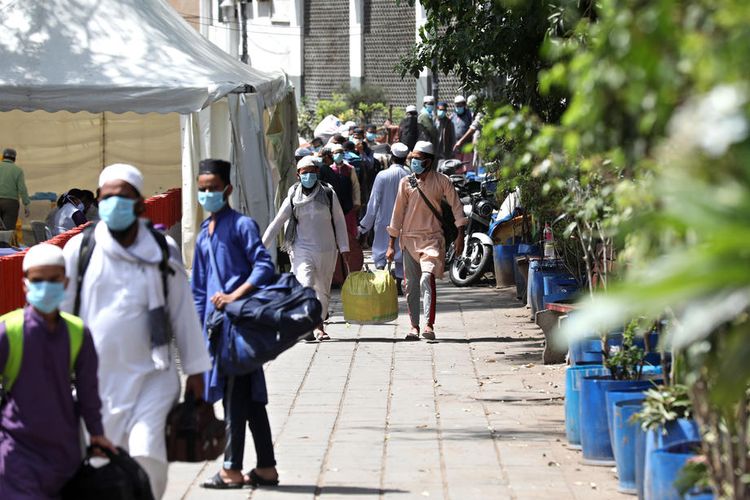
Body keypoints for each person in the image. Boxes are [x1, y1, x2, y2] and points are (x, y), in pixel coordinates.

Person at [61, 163, 211, 499]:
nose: (115, 203)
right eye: (108, 197)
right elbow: (61, 317)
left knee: (148, 459)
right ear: (98, 201)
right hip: (94, 385)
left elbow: (183, 315)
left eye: (123, 197)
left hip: (152, 379)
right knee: (99, 470)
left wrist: (197, 373)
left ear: (140, 203)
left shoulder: (161, 250)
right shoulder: (80, 250)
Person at [190, 159, 279, 489]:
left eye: (213, 188)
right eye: (202, 189)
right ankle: (266, 467)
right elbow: (199, 290)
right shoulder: (203, 232)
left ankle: (231, 468)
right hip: (216, 331)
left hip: (240, 328)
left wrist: (233, 295)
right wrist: (197, 337)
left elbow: (263, 266)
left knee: (234, 397)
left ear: (227, 189)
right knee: (250, 396)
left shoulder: (242, 225)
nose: (207, 194)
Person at [0, 244, 116, 499]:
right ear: (25, 285)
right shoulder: (8, 331)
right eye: (38, 280)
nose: (46, 286)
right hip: (17, 454)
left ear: (65, 282)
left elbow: (88, 392)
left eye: (53, 280)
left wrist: (97, 434)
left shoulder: (78, 332)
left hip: (65, 456)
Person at [386, 141, 468, 341]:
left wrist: (460, 236)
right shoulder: (405, 182)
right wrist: (391, 244)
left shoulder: (442, 181)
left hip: (432, 240)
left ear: (429, 162)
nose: (413, 162)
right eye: (412, 158)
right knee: (410, 286)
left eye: (418, 159)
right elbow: (397, 213)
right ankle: (414, 326)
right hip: (408, 240)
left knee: (426, 279)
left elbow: (457, 208)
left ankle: (428, 325)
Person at [263, 156, 350, 341]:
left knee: (323, 292)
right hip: (301, 248)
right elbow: (278, 222)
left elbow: (340, 221)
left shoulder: (328, 193)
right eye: (305, 173)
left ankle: (320, 327)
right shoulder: (293, 195)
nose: (309, 176)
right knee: (305, 283)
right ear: (298, 175)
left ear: (317, 173)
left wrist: (344, 248)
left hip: (327, 249)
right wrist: (261, 246)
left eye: (312, 172)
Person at [358, 142, 410, 290]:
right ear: (405, 158)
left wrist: (364, 226)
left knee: (380, 250)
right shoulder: (410, 176)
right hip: (403, 222)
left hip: (384, 222)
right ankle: (399, 285)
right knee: (401, 251)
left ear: (392, 157)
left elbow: (373, 203)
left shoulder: (382, 175)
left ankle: (381, 282)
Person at [0, 148, 30, 231]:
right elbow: (22, 189)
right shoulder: (18, 170)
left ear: (3, 157)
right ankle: (5, 243)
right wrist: (26, 204)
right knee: (8, 231)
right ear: (14, 158)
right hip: (11, 203)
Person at [454, 95, 484, 172]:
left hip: (479, 145)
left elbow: (473, 128)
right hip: (470, 147)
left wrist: (460, 141)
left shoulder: (479, 114)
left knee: (477, 166)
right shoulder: (471, 114)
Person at [451, 96, 474, 167]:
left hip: (467, 146)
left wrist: (461, 141)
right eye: (457, 105)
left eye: (460, 105)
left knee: (467, 167)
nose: (458, 107)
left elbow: (472, 129)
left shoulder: (469, 115)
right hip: (456, 147)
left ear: (464, 105)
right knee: (457, 168)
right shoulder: (453, 115)